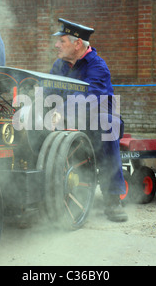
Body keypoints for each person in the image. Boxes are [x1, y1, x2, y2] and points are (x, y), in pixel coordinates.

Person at [50, 18, 127, 222]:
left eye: (62, 41)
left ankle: (113, 199)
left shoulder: (97, 66)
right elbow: (46, 92)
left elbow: (91, 100)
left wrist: (62, 113)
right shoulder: (59, 65)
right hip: (66, 119)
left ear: (77, 44)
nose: (56, 45)